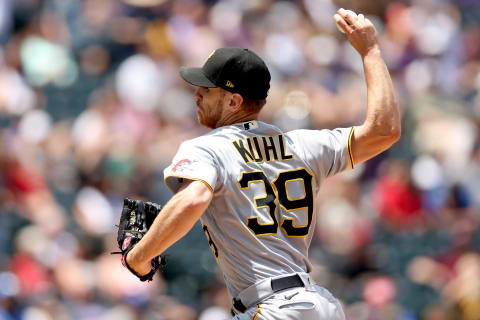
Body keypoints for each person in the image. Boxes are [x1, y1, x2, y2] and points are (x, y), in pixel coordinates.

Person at [125, 8, 401, 320]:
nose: (197, 95)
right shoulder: (304, 146)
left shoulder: (209, 148)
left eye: (207, 89)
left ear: (234, 101)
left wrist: (140, 256)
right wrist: (372, 52)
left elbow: (194, 198)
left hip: (272, 307)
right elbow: (384, 131)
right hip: (318, 306)